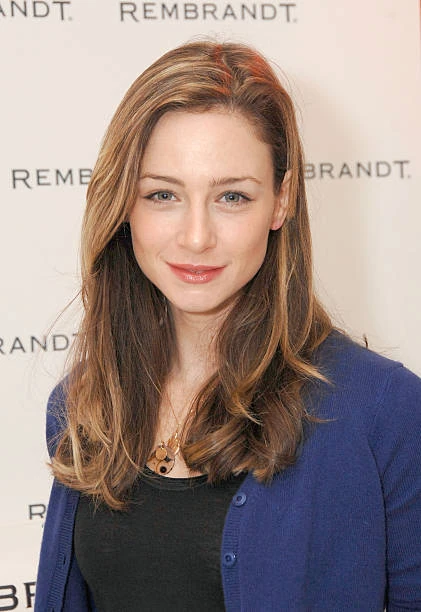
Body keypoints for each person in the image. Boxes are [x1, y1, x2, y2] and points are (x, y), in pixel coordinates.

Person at [34, 40, 421, 611]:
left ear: (281, 200)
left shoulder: (383, 410)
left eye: (232, 196)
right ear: (125, 205)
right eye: (162, 194)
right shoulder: (85, 404)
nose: (196, 237)